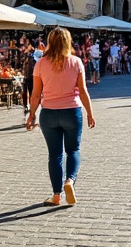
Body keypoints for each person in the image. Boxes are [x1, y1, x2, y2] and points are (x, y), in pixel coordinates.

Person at [25, 27, 95, 206]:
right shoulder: (76, 62)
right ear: (68, 41)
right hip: (72, 111)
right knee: (73, 150)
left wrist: (31, 114)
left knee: (54, 155)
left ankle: (56, 195)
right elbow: (83, 91)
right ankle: (70, 181)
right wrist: (90, 113)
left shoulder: (41, 63)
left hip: (48, 113)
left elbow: (35, 94)